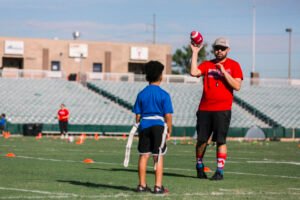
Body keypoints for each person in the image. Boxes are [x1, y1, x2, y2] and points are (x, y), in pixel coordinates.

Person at [190, 37, 243, 180]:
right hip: (205, 109)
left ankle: (220, 171)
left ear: (228, 50)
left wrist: (224, 72)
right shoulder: (207, 64)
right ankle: (199, 166)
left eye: (222, 48)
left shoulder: (234, 65)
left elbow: (237, 86)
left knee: (221, 140)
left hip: (223, 109)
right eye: (217, 48)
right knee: (201, 140)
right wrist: (195, 52)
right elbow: (194, 72)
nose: (219, 51)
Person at [133, 61, 173, 194]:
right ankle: (158, 186)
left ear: (147, 77)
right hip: (158, 126)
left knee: (143, 155)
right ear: (160, 76)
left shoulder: (141, 94)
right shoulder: (164, 94)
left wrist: (139, 126)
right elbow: (168, 115)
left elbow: (138, 115)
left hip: (144, 125)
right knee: (158, 155)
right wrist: (169, 129)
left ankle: (142, 185)